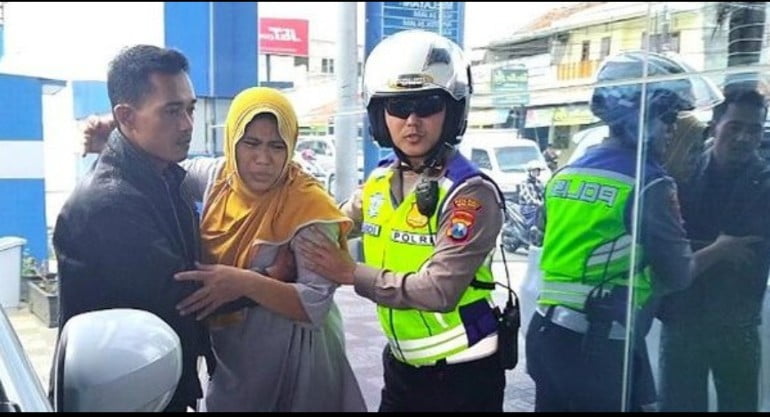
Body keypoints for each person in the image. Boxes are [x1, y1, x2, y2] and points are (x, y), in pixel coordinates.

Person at [524, 51, 758, 412]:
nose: (672, 129)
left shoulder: (569, 173)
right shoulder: (650, 184)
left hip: (547, 336)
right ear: (641, 118)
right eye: (667, 119)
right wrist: (721, 248)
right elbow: (678, 275)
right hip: (598, 346)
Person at [295, 29, 507, 412]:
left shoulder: (469, 193)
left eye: (427, 105)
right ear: (380, 115)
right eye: (398, 107)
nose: (412, 121)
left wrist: (350, 272)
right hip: (403, 366)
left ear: (452, 111)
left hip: (464, 373)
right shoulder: (378, 183)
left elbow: (440, 292)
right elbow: (331, 224)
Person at [170, 87, 366, 412]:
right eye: (251, 143)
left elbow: (314, 304)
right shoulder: (219, 178)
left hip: (296, 354)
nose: (263, 159)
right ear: (233, 141)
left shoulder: (307, 206)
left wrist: (245, 282)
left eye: (277, 146)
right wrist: (113, 138)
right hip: (233, 351)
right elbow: (163, 170)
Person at [53, 45, 209, 411]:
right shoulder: (108, 204)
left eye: (190, 109)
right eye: (171, 111)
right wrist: (266, 278)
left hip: (154, 382)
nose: (187, 124)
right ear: (126, 116)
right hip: (120, 395)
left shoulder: (163, 174)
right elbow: (184, 296)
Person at [657, 88, 770, 412]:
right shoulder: (685, 173)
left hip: (736, 323)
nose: (744, 138)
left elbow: (749, 245)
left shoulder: (764, 182)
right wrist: (719, 247)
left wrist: (695, 250)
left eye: (754, 130)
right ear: (716, 124)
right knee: (678, 406)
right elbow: (671, 246)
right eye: (735, 127)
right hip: (683, 319)